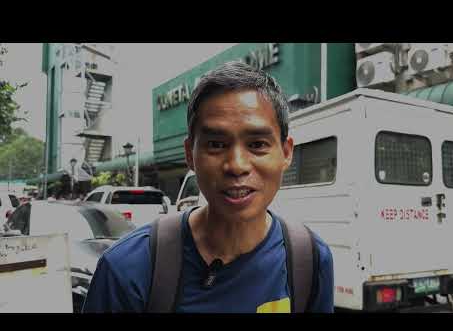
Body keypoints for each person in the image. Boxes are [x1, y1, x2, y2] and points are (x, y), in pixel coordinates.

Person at [82, 61, 334, 313]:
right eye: (216, 144)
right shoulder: (126, 270)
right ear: (190, 155)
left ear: (286, 152)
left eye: (257, 144)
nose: (236, 165)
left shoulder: (310, 260)